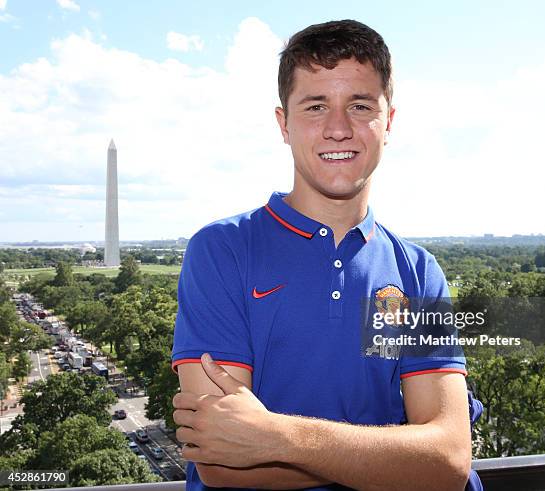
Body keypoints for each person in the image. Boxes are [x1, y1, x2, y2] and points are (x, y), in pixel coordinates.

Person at [171, 19, 483, 491]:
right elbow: (221, 460)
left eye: (360, 106)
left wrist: (275, 437)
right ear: (284, 124)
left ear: (388, 121)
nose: (338, 128)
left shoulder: (416, 272)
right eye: (316, 107)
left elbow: (447, 461)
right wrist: (392, 454)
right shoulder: (222, 251)